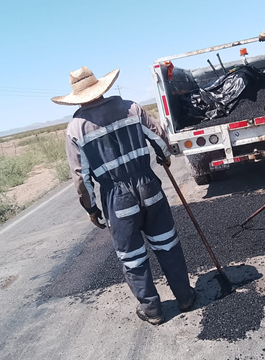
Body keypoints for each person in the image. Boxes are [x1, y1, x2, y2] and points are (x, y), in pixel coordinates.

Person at [53, 66, 196, 325]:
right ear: (101, 87)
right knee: (167, 245)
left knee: (133, 256)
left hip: (117, 198)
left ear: (77, 97)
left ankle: (152, 309)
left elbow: (81, 178)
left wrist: (92, 209)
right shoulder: (132, 108)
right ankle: (185, 297)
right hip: (149, 187)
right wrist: (163, 157)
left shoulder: (75, 128)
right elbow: (160, 139)